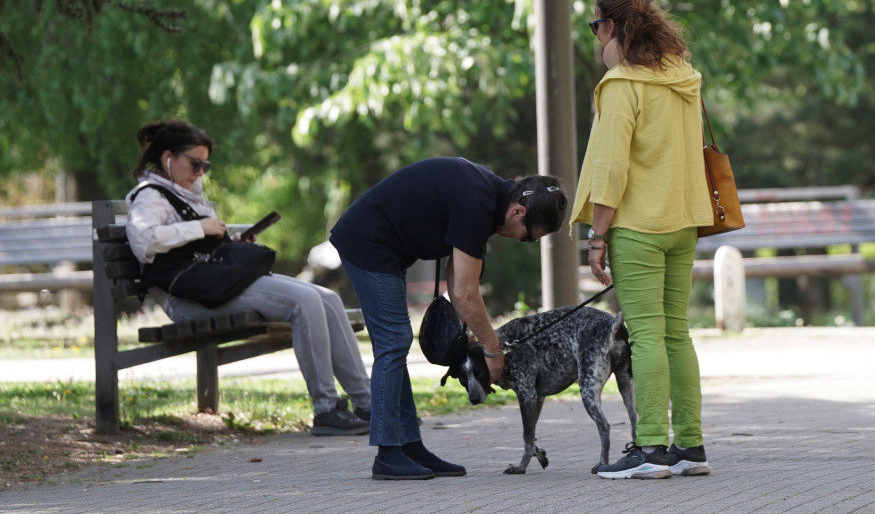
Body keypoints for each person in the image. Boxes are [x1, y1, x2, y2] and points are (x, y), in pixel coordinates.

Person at [125, 120, 372, 436]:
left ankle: (368, 405)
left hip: (213, 286)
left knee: (328, 298)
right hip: (187, 299)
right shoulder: (150, 196)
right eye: (195, 164)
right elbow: (144, 241)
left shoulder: (186, 194)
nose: (200, 172)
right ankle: (327, 410)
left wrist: (231, 244)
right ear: (167, 158)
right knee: (305, 301)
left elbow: (195, 247)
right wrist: (199, 228)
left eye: (205, 166)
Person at [329, 158, 568, 481]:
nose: (521, 240)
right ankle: (388, 454)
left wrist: (469, 335)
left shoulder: (488, 201)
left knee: (396, 343)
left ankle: (409, 446)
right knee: (394, 342)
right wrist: (493, 349)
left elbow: (460, 285)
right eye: (528, 237)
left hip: (388, 247)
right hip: (367, 241)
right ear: (517, 212)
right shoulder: (476, 204)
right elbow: (465, 293)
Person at [572, 0, 714, 480]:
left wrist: (597, 236)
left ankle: (651, 449)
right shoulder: (683, 76)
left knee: (647, 335)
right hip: (684, 222)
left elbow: (611, 169)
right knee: (677, 333)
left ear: (611, 26)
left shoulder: (622, 85)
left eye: (596, 27)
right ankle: (690, 447)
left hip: (638, 225)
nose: (596, 37)